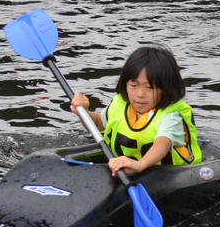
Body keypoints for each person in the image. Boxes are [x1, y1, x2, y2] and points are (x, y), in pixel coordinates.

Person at [70, 45, 201, 176]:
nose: (140, 94)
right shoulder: (120, 105)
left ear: (166, 88)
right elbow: (98, 123)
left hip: (169, 176)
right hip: (127, 170)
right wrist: (84, 113)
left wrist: (140, 165)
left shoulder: (171, 116)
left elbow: (163, 144)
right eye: (133, 85)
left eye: (150, 87)